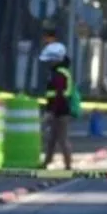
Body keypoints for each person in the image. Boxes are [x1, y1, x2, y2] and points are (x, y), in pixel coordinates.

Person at [40, 41, 75, 170]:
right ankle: (46, 162)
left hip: (60, 111)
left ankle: (68, 165)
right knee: (52, 138)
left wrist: (51, 112)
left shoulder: (59, 73)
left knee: (62, 138)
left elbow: (59, 94)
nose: (48, 62)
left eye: (50, 59)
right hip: (58, 109)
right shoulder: (59, 71)